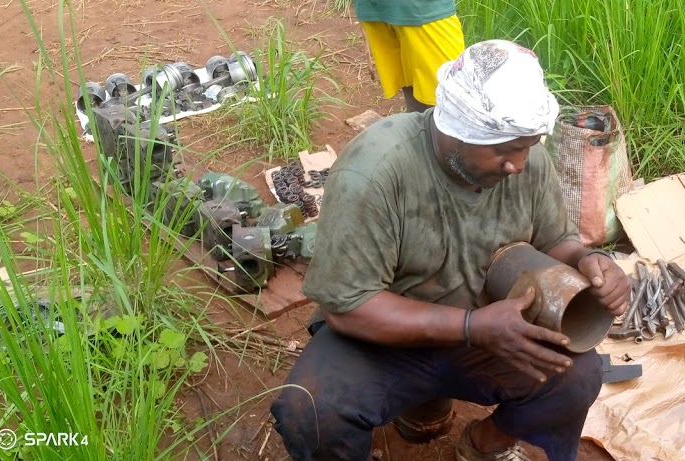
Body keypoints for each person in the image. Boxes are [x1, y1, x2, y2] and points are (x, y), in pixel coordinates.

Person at [270, 40, 630, 461]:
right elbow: (347, 308)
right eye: (504, 149)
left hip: (492, 329)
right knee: (309, 411)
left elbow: (555, 240)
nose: (517, 164)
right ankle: (421, 409)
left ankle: (484, 444)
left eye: (527, 145)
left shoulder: (527, 161)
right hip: (385, 337)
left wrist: (591, 261)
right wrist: (470, 326)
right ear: (457, 130)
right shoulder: (375, 172)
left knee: (577, 376)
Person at [354, 0, 465, 112]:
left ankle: (417, 124)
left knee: (412, 84)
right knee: (452, 94)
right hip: (421, 9)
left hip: (374, 8)